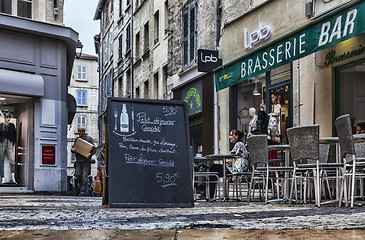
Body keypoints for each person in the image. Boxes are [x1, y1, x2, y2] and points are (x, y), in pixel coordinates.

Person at [208, 129, 249, 198]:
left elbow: (231, 156)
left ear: (236, 136)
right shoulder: (239, 144)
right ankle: (209, 193)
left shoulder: (239, 144)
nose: (229, 137)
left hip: (235, 170)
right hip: (234, 169)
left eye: (231, 135)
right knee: (214, 170)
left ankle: (207, 191)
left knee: (214, 168)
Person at [71, 127, 96, 196]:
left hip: (86, 161)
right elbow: (73, 148)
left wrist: (90, 154)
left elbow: (94, 149)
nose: (79, 133)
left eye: (80, 131)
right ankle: (82, 187)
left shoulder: (89, 139)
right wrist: (72, 150)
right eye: (78, 131)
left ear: (84, 131)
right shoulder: (77, 139)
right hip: (78, 160)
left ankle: (83, 191)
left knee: (85, 175)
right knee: (78, 174)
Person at [0, 110, 17, 184]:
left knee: (12, 161)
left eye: (9, 117)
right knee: (1, 161)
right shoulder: (1, 125)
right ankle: (3, 178)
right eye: (7, 117)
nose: (8, 119)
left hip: (9, 143)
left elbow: (14, 135)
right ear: (4, 117)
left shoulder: (12, 125)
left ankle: (13, 178)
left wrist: (13, 143)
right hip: (2, 143)